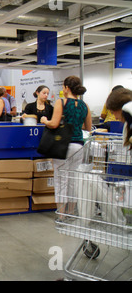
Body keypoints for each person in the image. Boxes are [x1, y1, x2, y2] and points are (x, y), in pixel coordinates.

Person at [40, 76, 92, 222]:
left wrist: (45, 120)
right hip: (79, 145)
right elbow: (87, 128)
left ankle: (61, 215)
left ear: (67, 88)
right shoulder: (84, 105)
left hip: (63, 145)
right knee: (73, 180)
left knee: (61, 179)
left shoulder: (61, 102)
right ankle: (71, 213)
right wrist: (75, 125)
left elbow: (54, 124)